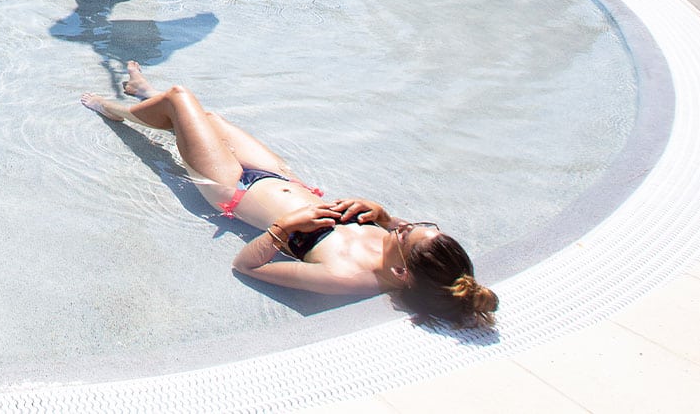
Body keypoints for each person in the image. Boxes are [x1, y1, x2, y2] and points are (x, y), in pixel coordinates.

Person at [81, 62, 497, 327]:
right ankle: (144, 95)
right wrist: (382, 215)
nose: (407, 226)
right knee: (204, 118)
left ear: (404, 274)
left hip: (232, 188)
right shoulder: (396, 250)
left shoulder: (346, 277)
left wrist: (285, 229)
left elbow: (247, 266)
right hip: (280, 176)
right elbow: (392, 227)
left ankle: (117, 110)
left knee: (180, 99)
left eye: (408, 233)